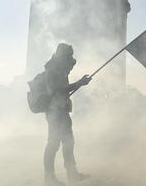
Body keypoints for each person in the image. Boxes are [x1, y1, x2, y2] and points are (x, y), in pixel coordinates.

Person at [43, 43, 92, 185]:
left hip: (62, 110)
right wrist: (79, 83)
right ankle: (49, 178)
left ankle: (73, 174)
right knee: (53, 144)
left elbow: (64, 87)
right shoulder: (52, 70)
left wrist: (80, 83)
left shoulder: (59, 68)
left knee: (68, 142)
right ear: (62, 56)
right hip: (54, 112)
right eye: (68, 55)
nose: (71, 59)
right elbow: (58, 90)